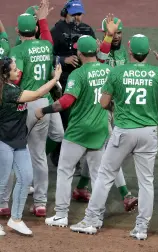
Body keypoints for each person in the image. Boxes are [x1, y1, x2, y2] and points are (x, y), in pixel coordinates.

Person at [70, 34, 158, 240]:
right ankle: (141, 228)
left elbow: (103, 103)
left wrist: (116, 104)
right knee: (146, 182)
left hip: (124, 131)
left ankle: (92, 220)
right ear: (147, 52)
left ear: (130, 52)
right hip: (148, 133)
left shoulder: (117, 72)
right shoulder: (157, 74)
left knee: (105, 175)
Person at [30, 35, 107, 227]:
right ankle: (97, 216)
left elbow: (65, 102)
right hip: (100, 128)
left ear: (80, 53)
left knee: (65, 170)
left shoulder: (78, 74)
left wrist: (43, 110)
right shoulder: (107, 70)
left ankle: (61, 215)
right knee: (98, 175)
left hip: (78, 131)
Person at [71, 15, 138, 212]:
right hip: (100, 107)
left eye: (119, 32)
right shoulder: (99, 51)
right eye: (112, 32)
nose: (116, 36)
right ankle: (126, 195)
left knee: (99, 149)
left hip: (119, 108)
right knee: (110, 151)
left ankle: (82, 187)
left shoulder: (124, 53)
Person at [8, 5, 64, 218]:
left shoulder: (18, 51)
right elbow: (49, 55)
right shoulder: (47, 46)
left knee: (15, 150)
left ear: (18, 30)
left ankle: (8, 200)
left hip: (27, 103)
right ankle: (40, 203)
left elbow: (17, 77)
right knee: (39, 154)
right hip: (46, 99)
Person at [0, 56, 62, 236]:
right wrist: (55, 79)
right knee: (2, 182)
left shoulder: (12, 87)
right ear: (5, 74)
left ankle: (16, 219)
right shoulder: (8, 92)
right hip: (4, 141)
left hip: (19, 141)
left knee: (26, 177)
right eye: (14, 69)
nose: (18, 70)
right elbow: (36, 95)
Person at [50, 0, 96, 166]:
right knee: (64, 119)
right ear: (65, 13)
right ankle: (58, 154)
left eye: (80, 14)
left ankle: (78, 154)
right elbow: (48, 56)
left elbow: (94, 51)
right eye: (74, 14)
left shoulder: (87, 30)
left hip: (84, 79)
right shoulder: (56, 30)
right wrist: (63, 60)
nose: (78, 18)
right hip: (62, 81)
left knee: (80, 116)